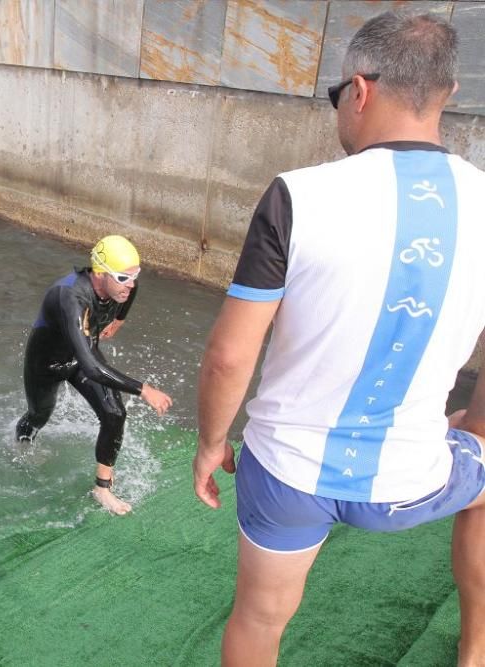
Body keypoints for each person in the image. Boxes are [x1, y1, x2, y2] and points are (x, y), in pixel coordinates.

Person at [194, 12, 485, 665]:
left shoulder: (297, 196)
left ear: (360, 89)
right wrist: (475, 427)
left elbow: (229, 356)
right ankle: (476, 649)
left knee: (259, 619)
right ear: (448, 94)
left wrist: (212, 442)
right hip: (414, 479)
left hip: (287, 473)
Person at [16, 235, 172, 515]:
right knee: (39, 415)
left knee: (115, 413)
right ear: (100, 273)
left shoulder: (122, 287)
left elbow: (130, 291)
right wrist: (143, 389)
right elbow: (91, 367)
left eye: (135, 276)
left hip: (82, 355)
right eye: (124, 277)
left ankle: (102, 489)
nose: (131, 284)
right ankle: (23, 445)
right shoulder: (71, 296)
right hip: (46, 364)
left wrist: (119, 320)